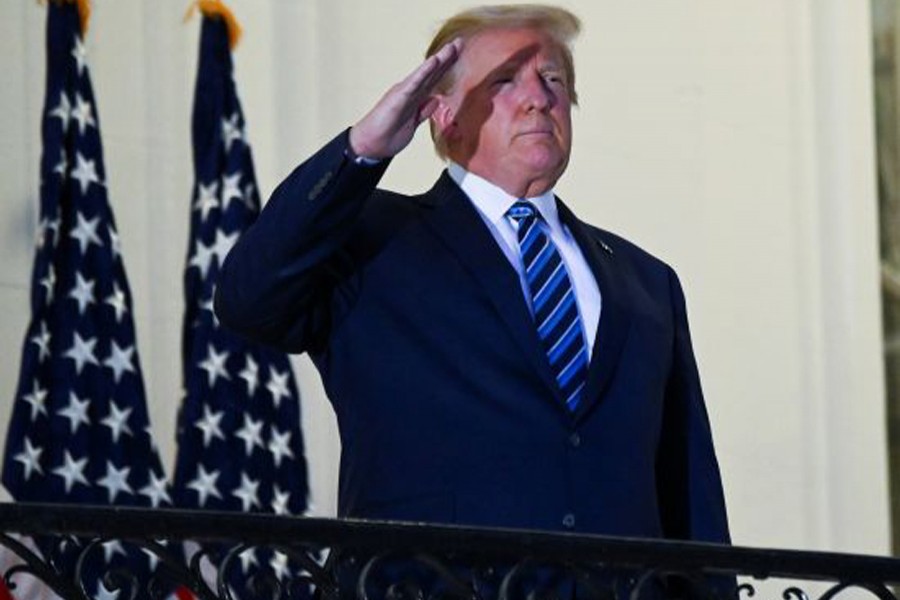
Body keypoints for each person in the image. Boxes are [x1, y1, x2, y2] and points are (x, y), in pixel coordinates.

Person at [215, 4, 730, 546]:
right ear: (442, 113)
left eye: (552, 78)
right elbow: (247, 300)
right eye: (505, 80)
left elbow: (686, 488)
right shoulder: (371, 240)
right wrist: (360, 152)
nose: (539, 97)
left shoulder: (646, 281)